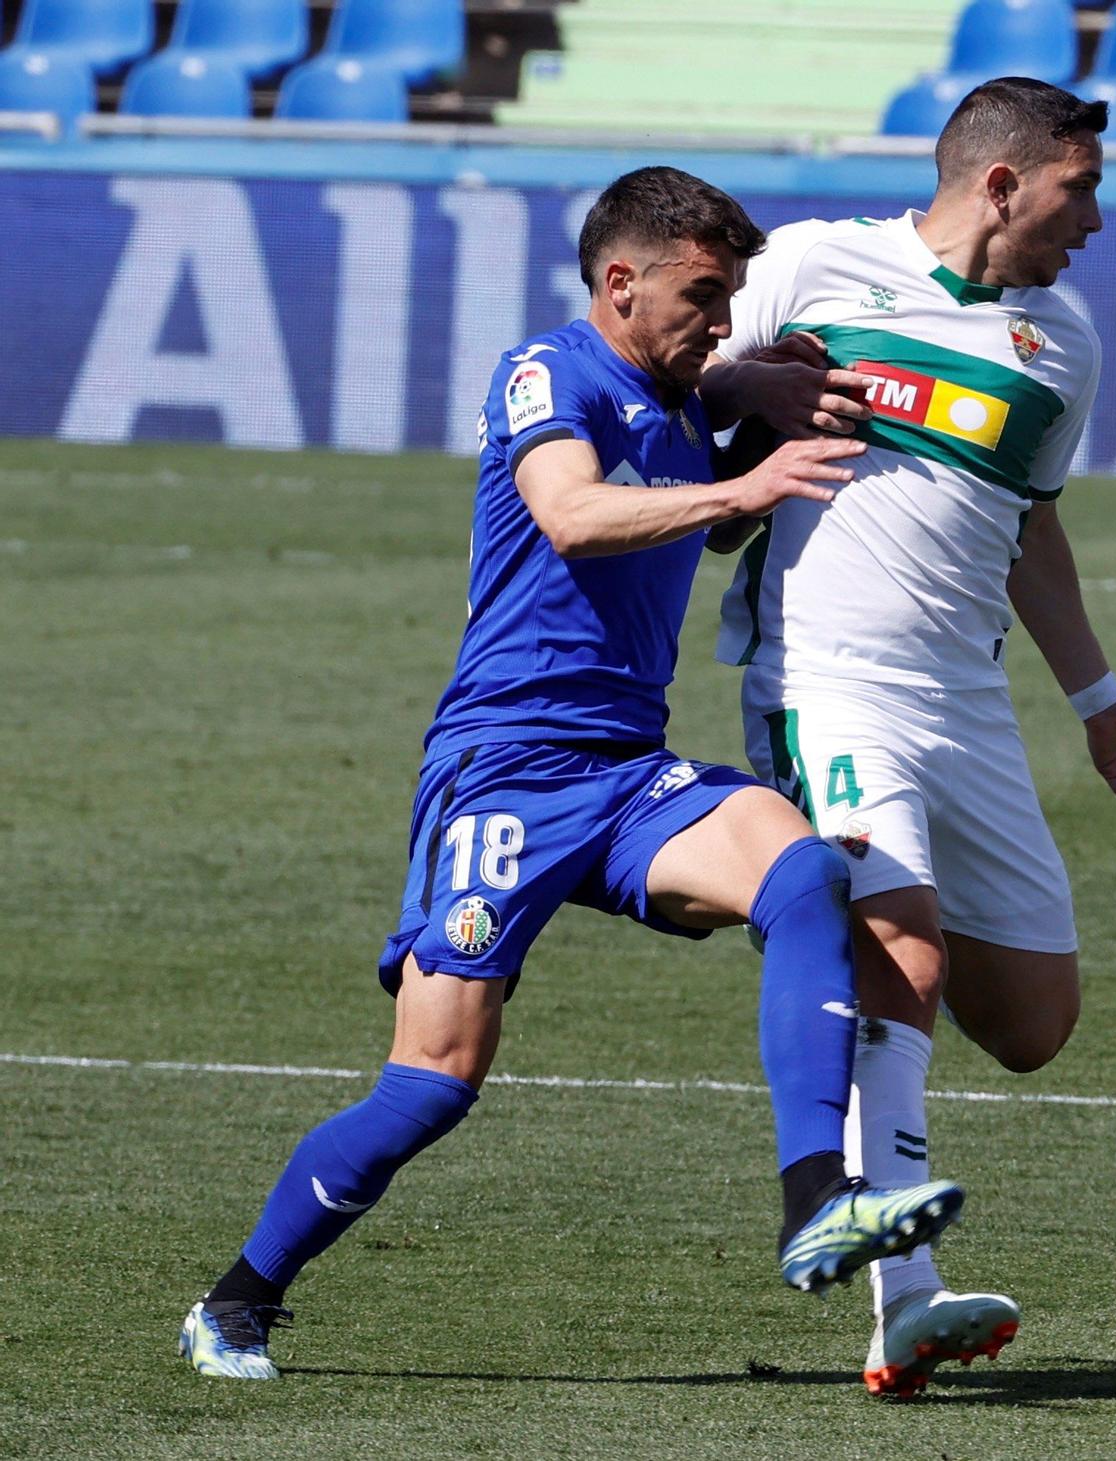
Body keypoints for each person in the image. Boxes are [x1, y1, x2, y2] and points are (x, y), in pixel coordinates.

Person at [177, 166, 965, 1381]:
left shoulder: (684, 393)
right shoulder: (547, 369)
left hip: (625, 770)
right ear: (617, 283)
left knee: (803, 872)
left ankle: (819, 1193)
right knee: (434, 1081)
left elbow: (706, 509)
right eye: (704, 294)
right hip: (501, 771)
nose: (720, 317)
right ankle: (237, 1299)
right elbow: (572, 516)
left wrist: (773, 407)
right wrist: (748, 470)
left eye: (733, 293)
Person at [705, 79, 1116, 1398]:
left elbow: (1030, 524)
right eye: (1078, 191)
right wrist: (747, 382)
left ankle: (839, 1001)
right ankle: (901, 1300)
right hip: (825, 676)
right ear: (1000, 184)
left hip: (965, 702)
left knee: (1033, 1022)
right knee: (904, 944)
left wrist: (1096, 701)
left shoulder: (1064, 347)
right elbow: (661, 367)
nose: (1092, 220)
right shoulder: (815, 265)